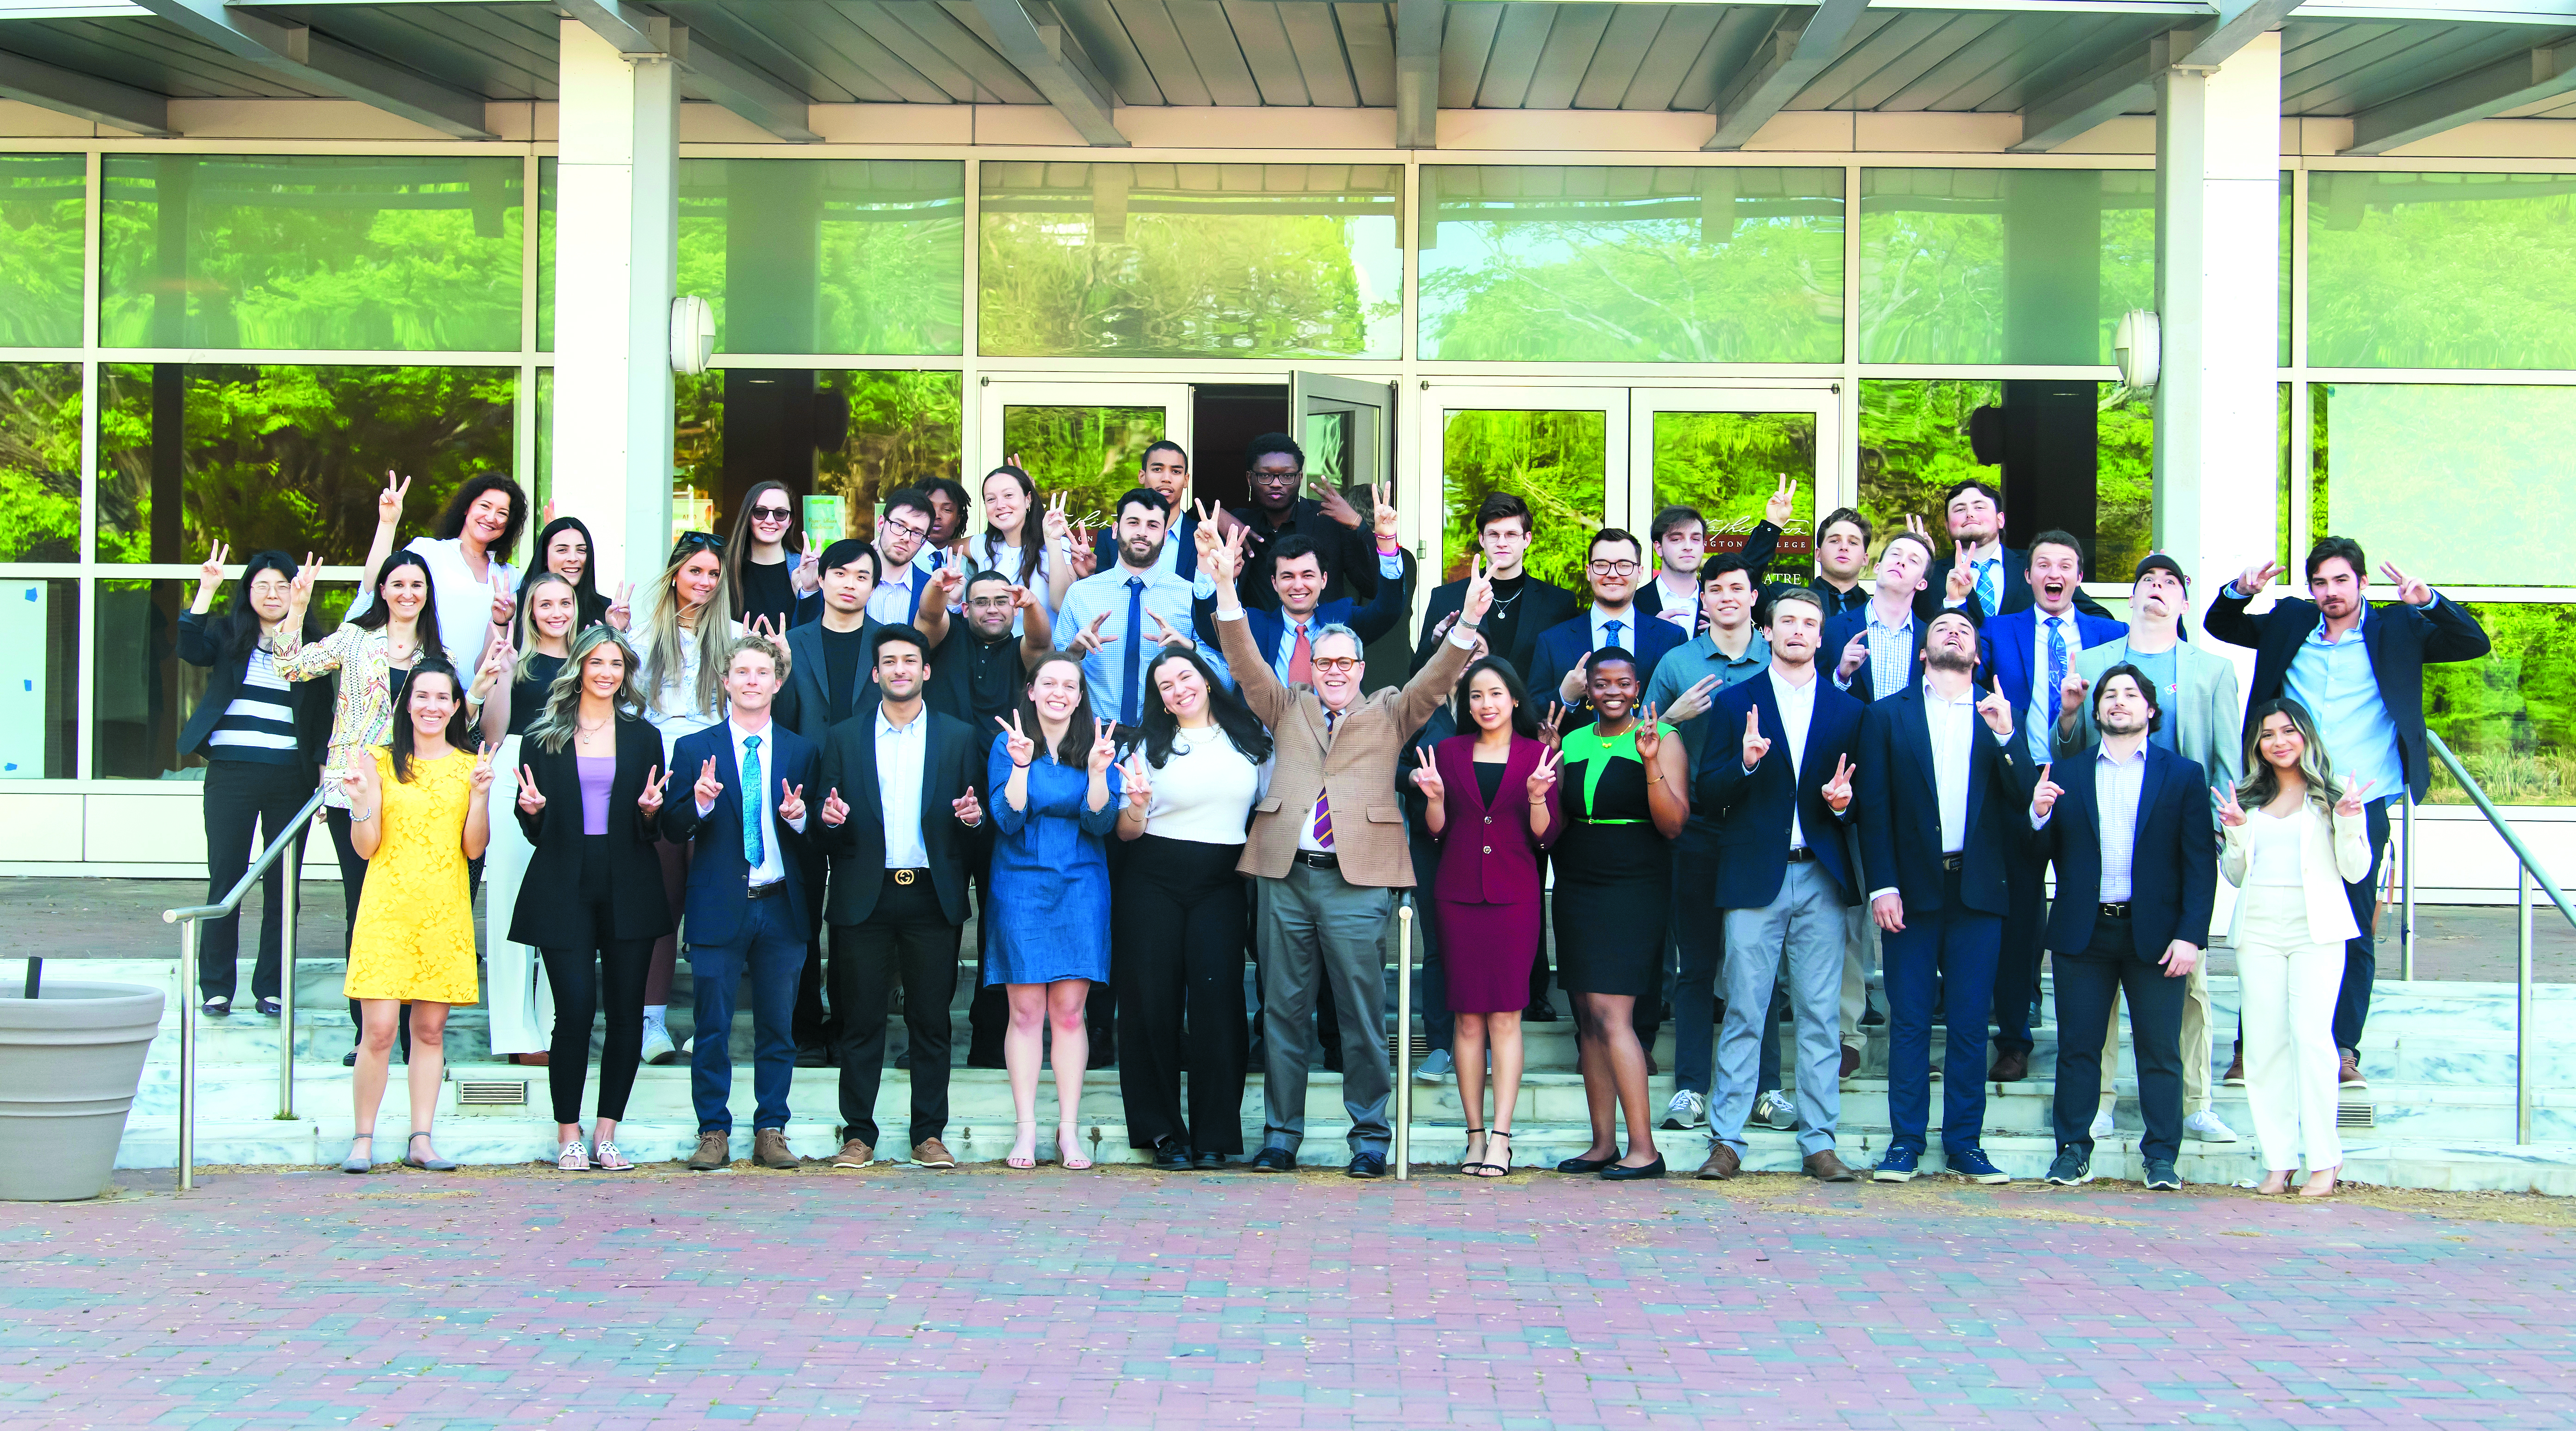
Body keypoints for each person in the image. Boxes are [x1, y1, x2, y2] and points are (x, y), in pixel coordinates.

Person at [1211, 526, 1483, 1178]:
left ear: (1360, 669)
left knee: (1362, 1016)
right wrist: (1224, 584)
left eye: (1345, 664)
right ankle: (1281, 1135)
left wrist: (1469, 619)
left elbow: (1439, 675)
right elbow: (1246, 661)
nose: (1333, 672)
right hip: (1284, 878)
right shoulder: (1288, 706)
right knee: (1282, 1011)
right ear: (1312, 667)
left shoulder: (1391, 711)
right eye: (1324, 663)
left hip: (1358, 883)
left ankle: (1370, 1138)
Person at [2205, 536, 2491, 1087]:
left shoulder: (2398, 628)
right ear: (2310, 589)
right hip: (2288, 795)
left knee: (2354, 930)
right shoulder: (2290, 623)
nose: (2331, 592)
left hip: (2361, 802)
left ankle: (2341, 1050)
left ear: (2362, 584)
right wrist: (2239, 592)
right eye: (2320, 583)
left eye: (2341, 581)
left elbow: (2471, 641)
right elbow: (2223, 626)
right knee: (2270, 920)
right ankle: (2252, 1048)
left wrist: (2428, 600)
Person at [2054, 553, 2243, 1141]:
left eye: (2169, 584)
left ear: (2185, 602)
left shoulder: (2212, 670)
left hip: (2181, 846)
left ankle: (2196, 1101)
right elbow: (2073, 754)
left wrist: (2218, 838)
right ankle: (2101, 1100)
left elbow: (2227, 763)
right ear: (2129, 599)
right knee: (2097, 994)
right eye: (2146, 583)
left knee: (2190, 987)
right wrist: (2065, 718)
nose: (2157, 591)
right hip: (2106, 845)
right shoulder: (2092, 663)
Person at [1853, 609, 2031, 1184]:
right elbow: (1874, 807)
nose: (1954, 633)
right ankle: (1905, 1143)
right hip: (1909, 888)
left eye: (1965, 631)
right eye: (1941, 629)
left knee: (1970, 1022)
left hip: (1979, 888)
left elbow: (2026, 803)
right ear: (1922, 651)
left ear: (1978, 654)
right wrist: (1882, 884)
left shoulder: (1998, 714)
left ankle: (1964, 1143)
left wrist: (2007, 735)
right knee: (1908, 1020)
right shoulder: (1887, 715)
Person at [1695, 586, 1865, 1183]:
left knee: (1820, 1015)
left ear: (1822, 637)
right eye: (1786, 620)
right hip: (1753, 876)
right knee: (1744, 1009)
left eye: (1809, 622)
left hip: (1819, 874)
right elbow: (1706, 793)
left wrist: (1844, 806)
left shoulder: (1850, 713)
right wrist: (1743, 764)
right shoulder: (1735, 703)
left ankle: (1819, 1142)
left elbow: (1862, 803)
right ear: (1766, 631)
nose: (1797, 630)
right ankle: (1727, 1141)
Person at [2031, 664, 2216, 1192]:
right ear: (2097, 711)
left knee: (2160, 1050)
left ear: (2150, 711)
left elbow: (2199, 865)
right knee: (2079, 1048)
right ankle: (2072, 1152)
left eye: (2131, 694)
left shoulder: (2181, 774)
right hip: (2082, 934)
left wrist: (2191, 936)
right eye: (2110, 694)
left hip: (2157, 936)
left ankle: (2161, 1157)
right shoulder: (2063, 775)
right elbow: (2034, 857)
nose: (2119, 702)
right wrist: (2038, 816)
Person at [814, 625, 989, 1172]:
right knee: (860, 1022)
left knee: (931, 1022)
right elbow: (827, 825)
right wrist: (828, 820)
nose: (899, 670)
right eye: (889, 662)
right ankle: (858, 1135)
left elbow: (976, 826)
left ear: (926, 671)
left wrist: (974, 820)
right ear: (876, 673)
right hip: (864, 895)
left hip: (930, 896)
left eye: (909, 661)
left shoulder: (958, 737)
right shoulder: (843, 737)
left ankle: (928, 1135)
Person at [274, 547, 458, 1065]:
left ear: (427, 594)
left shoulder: (439, 656)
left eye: (416, 585)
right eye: (397, 584)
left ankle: (407, 1031)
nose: (407, 593)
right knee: (366, 909)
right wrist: (297, 605)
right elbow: (290, 666)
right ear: (383, 590)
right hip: (354, 788)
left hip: (415, 794)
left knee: (411, 910)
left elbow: (455, 719)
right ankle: (368, 1035)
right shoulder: (355, 638)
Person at [507, 626, 674, 1172]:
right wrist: (531, 811)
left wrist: (651, 811)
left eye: (617, 665)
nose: (606, 673)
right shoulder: (544, 735)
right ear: (578, 667)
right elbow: (533, 827)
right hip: (563, 881)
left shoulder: (644, 736)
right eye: (597, 662)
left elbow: (655, 823)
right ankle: (568, 1133)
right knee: (575, 1009)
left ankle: (607, 1133)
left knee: (626, 1012)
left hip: (629, 879)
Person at [661, 633, 819, 1173]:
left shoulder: (802, 751)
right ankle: (713, 1131)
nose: (752, 681)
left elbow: (820, 835)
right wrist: (700, 806)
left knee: (778, 1027)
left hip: (781, 906)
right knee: (712, 1027)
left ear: (778, 683)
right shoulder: (693, 750)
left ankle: (771, 1129)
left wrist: (799, 819)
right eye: (741, 672)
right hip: (718, 904)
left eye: (762, 672)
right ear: (725, 682)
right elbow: (671, 823)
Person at [1977, 531, 2126, 1090]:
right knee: (2019, 919)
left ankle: (2084, 1041)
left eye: (2066, 564)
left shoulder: (2112, 635)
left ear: (2079, 577)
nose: (2054, 573)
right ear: (2029, 576)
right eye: (2043, 564)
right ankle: (2013, 1039)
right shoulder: (2000, 629)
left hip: (2088, 783)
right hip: (2018, 784)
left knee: (2087, 907)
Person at [1641, 552, 1782, 1129]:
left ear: (1754, 598)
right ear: (1703, 601)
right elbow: (1640, 736)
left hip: (1760, 825)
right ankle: (1692, 1088)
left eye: (1737, 588)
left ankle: (1766, 1088)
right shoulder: (1678, 661)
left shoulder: (1776, 657)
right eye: (1715, 589)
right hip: (1696, 825)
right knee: (1697, 964)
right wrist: (1673, 715)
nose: (1727, 597)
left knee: (1758, 966)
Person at [1114, 644, 1269, 1169]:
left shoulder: (1251, 739)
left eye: (1186, 677)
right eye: (1166, 686)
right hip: (1151, 877)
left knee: (1218, 1004)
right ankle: (1161, 1133)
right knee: (1151, 1003)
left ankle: (1214, 1134)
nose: (1179, 689)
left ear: (1205, 679)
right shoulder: (1142, 747)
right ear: (1158, 700)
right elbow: (1126, 832)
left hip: (1221, 880)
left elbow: (1272, 806)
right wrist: (1135, 807)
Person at [334, 660, 492, 1174]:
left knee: (428, 1030)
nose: (431, 707)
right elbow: (366, 847)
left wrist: (482, 797)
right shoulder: (379, 761)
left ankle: (421, 1138)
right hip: (386, 910)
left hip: (444, 910)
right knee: (378, 1030)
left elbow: (474, 848)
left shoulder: (470, 764)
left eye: (442, 698)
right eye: (422, 697)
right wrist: (360, 803)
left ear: (455, 707)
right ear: (407, 703)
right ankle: (363, 1139)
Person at [2217, 699, 2371, 1198]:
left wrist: (2349, 820)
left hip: (2316, 931)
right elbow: (2236, 875)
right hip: (2259, 928)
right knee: (2263, 1048)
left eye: (2288, 731)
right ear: (2257, 745)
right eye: (2268, 734)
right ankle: (2279, 1161)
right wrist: (2236, 833)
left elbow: (2356, 870)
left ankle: (2325, 1161)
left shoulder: (2333, 797)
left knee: (2311, 1039)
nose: (2279, 741)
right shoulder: (2248, 798)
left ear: (2306, 736)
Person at [1413, 656, 1560, 1178]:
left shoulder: (1538, 755)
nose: (1486, 704)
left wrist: (1539, 797)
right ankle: (1473, 1136)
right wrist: (1433, 799)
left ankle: (1502, 1136)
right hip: (1457, 897)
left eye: (1496, 694)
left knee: (1505, 1017)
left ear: (1515, 698)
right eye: (1476, 696)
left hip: (1515, 898)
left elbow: (1546, 835)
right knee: (1468, 1019)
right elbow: (1437, 831)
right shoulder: (1448, 754)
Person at [1550, 650, 1686, 1181]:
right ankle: (1602, 1143)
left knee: (1614, 1017)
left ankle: (1645, 1150)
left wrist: (1650, 762)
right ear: (1587, 688)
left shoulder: (1662, 736)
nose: (1612, 691)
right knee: (1587, 1019)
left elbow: (1674, 824)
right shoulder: (1572, 740)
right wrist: (1547, 765)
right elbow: (1557, 819)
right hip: (1577, 886)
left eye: (1623, 683)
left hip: (1633, 888)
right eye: (1601, 683)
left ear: (1638, 688)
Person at [178, 545, 329, 1018]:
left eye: (282, 585)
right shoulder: (227, 634)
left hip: (291, 776)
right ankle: (217, 987)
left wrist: (327, 779)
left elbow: (324, 714)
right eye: (261, 585)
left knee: (284, 886)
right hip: (232, 774)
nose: (272, 593)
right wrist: (205, 590)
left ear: (296, 591)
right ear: (247, 592)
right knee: (226, 877)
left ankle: (271, 986)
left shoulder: (313, 642)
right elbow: (188, 648)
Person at [985, 655, 1122, 1171]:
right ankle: (1026, 1132)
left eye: (1071, 685)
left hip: (1082, 883)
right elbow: (1006, 816)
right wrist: (1021, 766)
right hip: (1020, 882)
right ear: (1033, 690)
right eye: (1050, 683)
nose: (1060, 692)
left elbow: (1101, 820)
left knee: (1069, 1013)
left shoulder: (1096, 746)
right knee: (1026, 1013)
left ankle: (1068, 1133)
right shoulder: (1008, 742)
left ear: (1081, 695)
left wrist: (1096, 773)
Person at [775, 539, 891, 1064]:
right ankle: (802, 1028)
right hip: (798, 794)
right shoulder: (790, 643)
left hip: (865, 796)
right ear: (821, 579)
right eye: (840, 573)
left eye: (861, 576)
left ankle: (848, 1029)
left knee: (852, 919)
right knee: (798, 915)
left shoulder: (888, 647)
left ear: (873, 584)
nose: (849, 583)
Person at [635, 530, 743, 1066]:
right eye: (695, 570)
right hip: (659, 777)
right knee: (660, 898)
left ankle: (708, 1023)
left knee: (711, 903)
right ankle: (650, 1022)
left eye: (713, 574)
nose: (704, 581)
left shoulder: (737, 639)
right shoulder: (638, 638)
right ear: (676, 572)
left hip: (717, 778)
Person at [481, 571, 585, 1067]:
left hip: (572, 772)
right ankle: (515, 1032)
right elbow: (494, 731)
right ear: (530, 610)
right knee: (508, 905)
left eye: (564, 602)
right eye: (545, 603)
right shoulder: (514, 662)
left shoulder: (588, 663)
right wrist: (499, 675)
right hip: (513, 771)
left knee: (561, 911)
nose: (556, 611)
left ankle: (551, 1027)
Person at [1054, 488, 1223, 731]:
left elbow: (1225, 681)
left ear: (1165, 537)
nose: (1142, 533)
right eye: (1133, 523)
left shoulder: (1190, 596)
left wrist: (1190, 649)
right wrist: (1074, 652)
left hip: (1168, 735)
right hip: (1091, 737)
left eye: (1153, 526)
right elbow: (1053, 682)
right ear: (1115, 530)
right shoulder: (1081, 594)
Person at [1190, 505, 1413, 682]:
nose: (1298, 585)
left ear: (1324, 580)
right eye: (1288, 576)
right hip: (1268, 737)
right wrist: (1206, 561)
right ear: (1274, 583)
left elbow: (1388, 610)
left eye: (1308, 575)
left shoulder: (1344, 618)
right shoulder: (1255, 625)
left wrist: (1387, 544)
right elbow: (1210, 629)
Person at [352, 470, 523, 671]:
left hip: (483, 696)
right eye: (485, 506)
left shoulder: (511, 576)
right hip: (426, 693)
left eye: (503, 513)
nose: (491, 517)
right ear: (467, 508)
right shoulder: (429, 551)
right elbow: (375, 587)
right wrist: (388, 523)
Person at [1412, 492, 1579, 687]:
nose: (1502, 543)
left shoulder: (1559, 603)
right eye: (1494, 534)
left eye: (1511, 535)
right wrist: (1436, 645)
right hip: (1463, 715)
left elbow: (1568, 672)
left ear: (1527, 539)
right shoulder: (1445, 597)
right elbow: (1416, 673)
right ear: (1482, 539)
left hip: (1533, 716)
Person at [1532, 527, 1688, 717]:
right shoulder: (1553, 641)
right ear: (1589, 572)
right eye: (1601, 564)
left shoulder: (1671, 638)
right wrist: (1565, 696)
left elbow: (1683, 707)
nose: (1613, 574)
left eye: (1624, 565)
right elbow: (1532, 715)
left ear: (1640, 573)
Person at [1918, 479, 2112, 621]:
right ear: (1947, 525)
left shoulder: (2037, 566)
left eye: (1979, 507)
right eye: (1960, 510)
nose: (1970, 514)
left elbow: (2100, 618)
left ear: (2000, 519)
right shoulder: (1930, 575)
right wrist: (1917, 558)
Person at [1227, 433, 1379, 609]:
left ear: (1300, 478)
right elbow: (1192, 516)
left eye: (1287, 476)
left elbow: (1373, 587)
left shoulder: (1328, 519)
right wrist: (1218, 515)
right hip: (1256, 634)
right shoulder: (1240, 522)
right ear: (1250, 479)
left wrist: (1358, 524)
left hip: (1320, 634)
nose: (1276, 484)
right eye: (1265, 476)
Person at [1634, 478, 1793, 633]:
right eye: (1677, 539)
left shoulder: (1722, 598)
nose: (1688, 547)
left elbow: (1746, 569)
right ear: (1659, 548)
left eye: (1696, 539)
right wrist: (1650, 636)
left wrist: (1773, 524)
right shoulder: (1635, 603)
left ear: (1704, 545)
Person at [1824, 529, 1936, 703]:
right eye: (1895, 554)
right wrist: (1842, 676)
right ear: (1877, 567)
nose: (1901, 562)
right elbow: (1814, 702)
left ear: (1922, 584)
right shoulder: (1832, 629)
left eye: (1913, 561)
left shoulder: (1930, 639)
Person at [1083, 440, 1205, 584]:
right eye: (1157, 469)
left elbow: (1210, 602)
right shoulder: (1109, 538)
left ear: (1186, 480)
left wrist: (1229, 578)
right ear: (1142, 476)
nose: (1166, 478)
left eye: (1176, 471)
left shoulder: (1203, 539)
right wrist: (1088, 577)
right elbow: (1101, 593)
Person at [968, 464, 1079, 619]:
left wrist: (1053, 541)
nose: (1000, 505)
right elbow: (942, 544)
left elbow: (1062, 606)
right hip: (996, 643)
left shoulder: (1058, 544)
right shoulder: (984, 544)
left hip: (1044, 643)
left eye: (1008, 495)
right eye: (991, 499)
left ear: (1028, 499)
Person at [725, 479, 821, 634]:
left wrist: (809, 592)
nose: (770, 520)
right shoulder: (724, 567)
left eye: (780, 514)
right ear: (748, 517)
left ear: (790, 521)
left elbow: (815, 633)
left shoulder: (806, 569)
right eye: (760, 512)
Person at [521, 513, 628, 632]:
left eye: (581, 550)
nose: (573, 558)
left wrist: (617, 631)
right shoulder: (518, 604)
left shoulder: (609, 610)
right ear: (544, 557)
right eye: (562, 550)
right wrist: (501, 623)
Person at [865, 487, 941, 627]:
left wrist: (954, 603)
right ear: (881, 524)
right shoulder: (850, 577)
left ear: (924, 542)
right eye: (899, 525)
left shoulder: (929, 589)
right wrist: (810, 589)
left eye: (917, 533)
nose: (906, 537)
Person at [1808, 508, 1873, 619]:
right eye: (1834, 541)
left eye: (1853, 542)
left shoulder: (1875, 611)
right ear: (1818, 554)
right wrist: (1773, 524)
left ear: (1865, 559)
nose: (1844, 547)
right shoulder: (1790, 600)